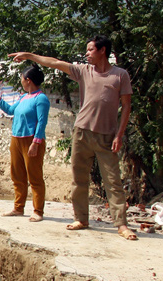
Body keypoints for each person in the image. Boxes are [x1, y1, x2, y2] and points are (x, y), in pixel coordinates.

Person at [8, 37, 138, 240]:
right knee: (79, 179)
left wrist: (119, 135)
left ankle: (121, 224)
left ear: (102, 50)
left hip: (106, 135)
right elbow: (55, 63)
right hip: (81, 132)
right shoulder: (84, 71)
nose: (86, 54)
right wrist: (30, 56)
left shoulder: (120, 75)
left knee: (112, 181)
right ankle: (81, 219)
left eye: (90, 50)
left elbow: (127, 106)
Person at [0, 66, 49, 222]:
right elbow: (10, 110)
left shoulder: (40, 98)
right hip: (17, 139)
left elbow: (42, 122)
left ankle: (38, 210)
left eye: (22, 78)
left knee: (34, 176)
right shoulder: (23, 97)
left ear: (28, 80)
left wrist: (36, 142)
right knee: (17, 175)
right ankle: (18, 207)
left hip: (31, 140)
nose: (21, 81)